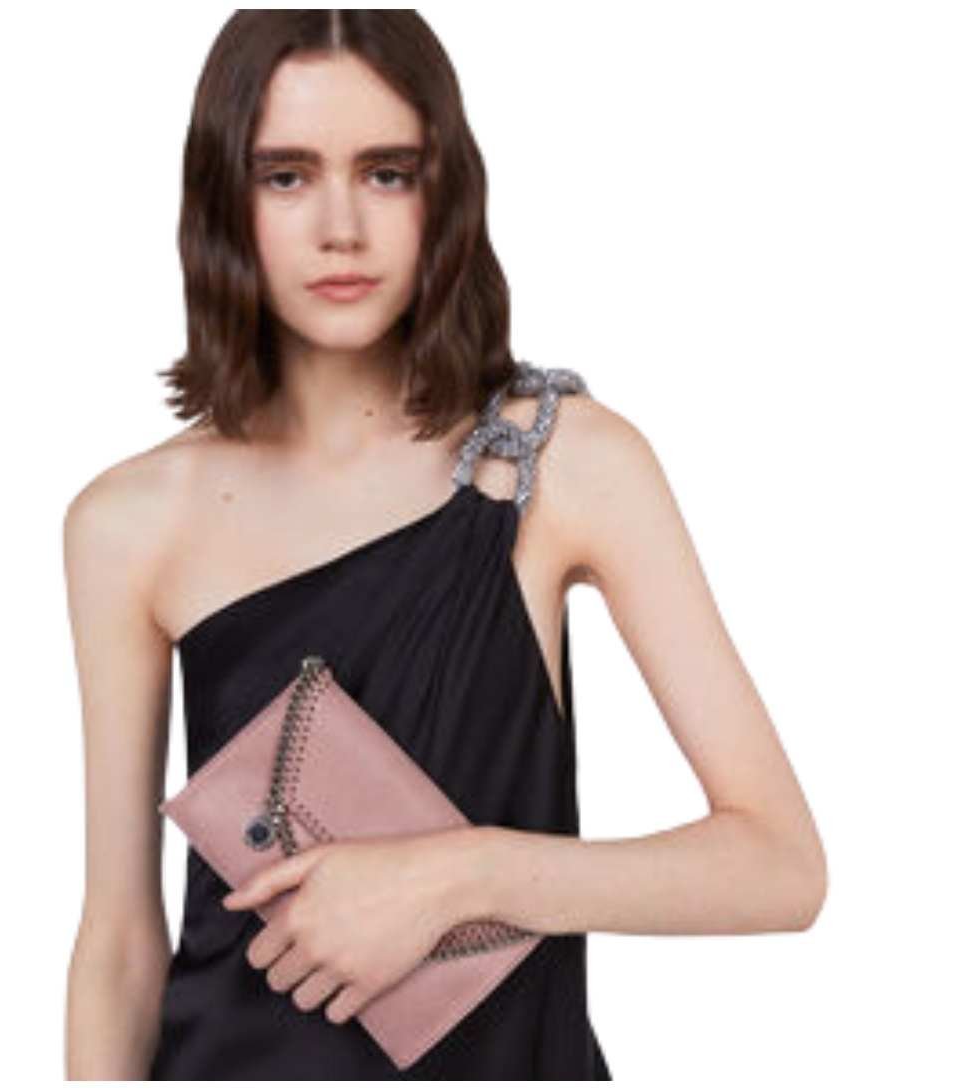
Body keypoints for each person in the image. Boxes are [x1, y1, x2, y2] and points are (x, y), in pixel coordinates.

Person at [62, 11, 827, 1081]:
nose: (340, 227)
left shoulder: (563, 463)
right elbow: (118, 944)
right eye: (286, 176)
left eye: (387, 173)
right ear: (222, 201)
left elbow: (779, 866)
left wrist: (455, 877)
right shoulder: (128, 522)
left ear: (446, 192)